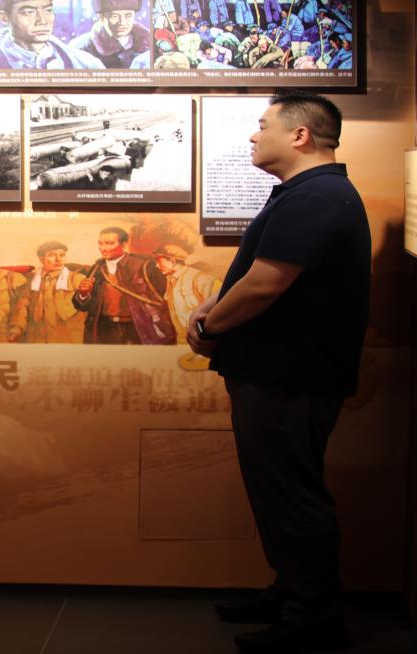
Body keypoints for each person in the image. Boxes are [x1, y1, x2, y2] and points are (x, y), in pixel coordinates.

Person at [188, 91, 367, 654]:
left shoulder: (317, 197)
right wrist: (214, 308)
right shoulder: (307, 193)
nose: (253, 135)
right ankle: (292, 593)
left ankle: (314, 619)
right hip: (279, 372)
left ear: (300, 135)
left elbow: (266, 284)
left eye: (262, 125)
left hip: (290, 376)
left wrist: (210, 325)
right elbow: (256, 273)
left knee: (292, 494)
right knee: (277, 491)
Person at [73, 226, 175, 345]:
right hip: (104, 328)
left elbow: (163, 299)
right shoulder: (97, 268)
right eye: (100, 243)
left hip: (137, 328)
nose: (103, 248)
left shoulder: (144, 266)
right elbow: (82, 306)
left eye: (109, 243)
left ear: (124, 245)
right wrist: (83, 294)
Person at [0, 0, 105, 70]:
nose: (43, 21)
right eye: (29, 12)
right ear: (4, 17)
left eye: (48, 11)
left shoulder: (89, 65)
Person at [9, 240, 85, 343]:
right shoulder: (33, 281)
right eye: (51, 255)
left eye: (62, 255)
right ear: (41, 259)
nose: (58, 259)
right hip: (38, 337)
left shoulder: (77, 279)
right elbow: (23, 306)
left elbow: (87, 305)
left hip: (66, 337)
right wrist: (17, 327)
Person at [153, 243, 221, 343]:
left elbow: (222, 306)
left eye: (159, 261)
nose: (157, 265)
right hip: (183, 341)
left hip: (204, 342)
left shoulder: (200, 279)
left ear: (172, 261)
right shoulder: (171, 281)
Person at [68, 0, 151, 69]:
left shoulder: (149, 46)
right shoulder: (81, 48)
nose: (122, 22)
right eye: (115, 16)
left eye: (128, 16)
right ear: (101, 18)